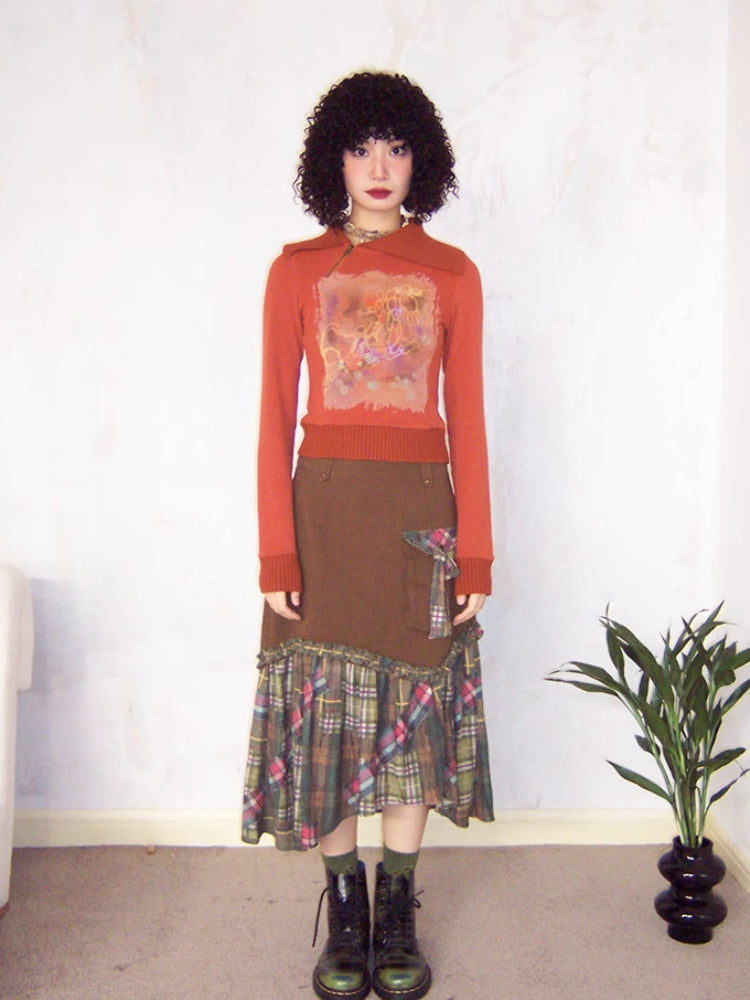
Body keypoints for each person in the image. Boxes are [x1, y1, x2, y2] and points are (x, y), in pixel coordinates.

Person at [242, 70, 494, 1000]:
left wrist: (478, 551)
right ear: (333, 162)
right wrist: (276, 549)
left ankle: (398, 905)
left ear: (422, 160)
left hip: (420, 521)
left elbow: (469, 420)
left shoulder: (454, 273)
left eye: (396, 147)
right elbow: (274, 418)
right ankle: (344, 908)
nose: (379, 166)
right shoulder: (295, 273)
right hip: (324, 516)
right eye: (360, 148)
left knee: (412, 717)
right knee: (328, 721)